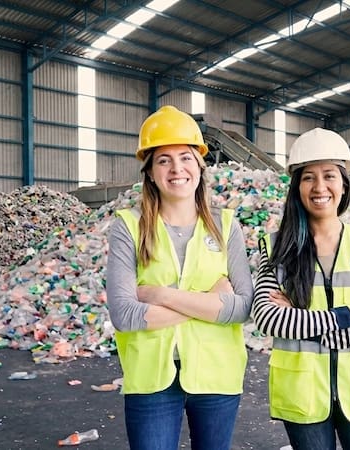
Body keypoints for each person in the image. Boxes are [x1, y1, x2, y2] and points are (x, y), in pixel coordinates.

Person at [105, 105, 254, 450]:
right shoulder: (128, 226)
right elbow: (124, 315)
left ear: (199, 166)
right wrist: (211, 301)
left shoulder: (225, 225)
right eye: (164, 160)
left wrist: (159, 295)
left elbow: (244, 307)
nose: (176, 169)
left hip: (217, 375)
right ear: (149, 172)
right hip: (151, 379)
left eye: (186, 157)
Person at [251, 128, 350, 450]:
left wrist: (305, 326)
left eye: (329, 176)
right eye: (308, 177)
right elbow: (268, 318)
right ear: (297, 187)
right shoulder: (277, 248)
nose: (320, 187)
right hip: (303, 394)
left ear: (344, 184)